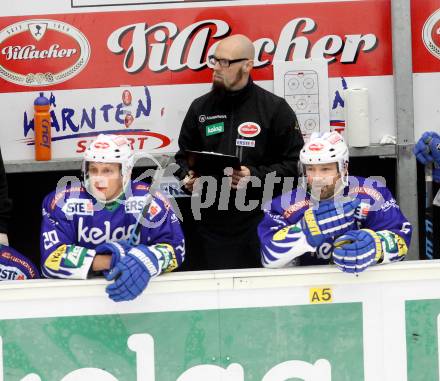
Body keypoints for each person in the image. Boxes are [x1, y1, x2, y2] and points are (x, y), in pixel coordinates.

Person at [174, 34, 304, 270]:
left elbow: (296, 165)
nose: (216, 68)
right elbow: (181, 158)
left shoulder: (274, 109)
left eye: (225, 62)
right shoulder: (200, 108)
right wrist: (187, 178)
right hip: (210, 225)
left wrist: (252, 175)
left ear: (247, 65)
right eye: (214, 60)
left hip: (262, 222)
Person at [40, 134, 185, 301]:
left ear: (126, 172)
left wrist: (147, 259)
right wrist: (115, 260)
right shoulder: (62, 201)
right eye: (93, 170)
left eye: (107, 171)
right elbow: (51, 260)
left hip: (142, 298)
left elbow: (177, 249)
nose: (98, 179)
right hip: (77, 298)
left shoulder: (152, 200)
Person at [258, 131, 412, 273]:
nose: (317, 178)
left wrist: (375, 246)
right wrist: (304, 232)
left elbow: (401, 237)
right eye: (311, 169)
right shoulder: (284, 205)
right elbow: (269, 258)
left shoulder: (371, 192)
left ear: (344, 168)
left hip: (363, 286)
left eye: (325, 169)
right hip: (308, 290)